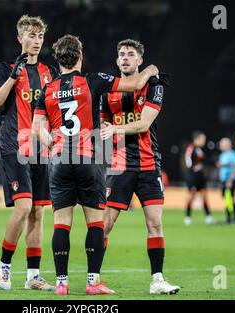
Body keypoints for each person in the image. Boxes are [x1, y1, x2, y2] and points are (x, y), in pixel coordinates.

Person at [32, 34, 159, 295]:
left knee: (61, 223)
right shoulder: (92, 80)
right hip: (88, 159)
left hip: (59, 161)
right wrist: (150, 70)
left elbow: (37, 129)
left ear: (57, 60)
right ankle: (92, 282)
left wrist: (52, 145)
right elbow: (134, 85)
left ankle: (61, 283)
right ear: (80, 55)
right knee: (95, 223)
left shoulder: (47, 89)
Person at [99, 39, 180, 295]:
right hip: (119, 164)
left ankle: (157, 280)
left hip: (148, 163)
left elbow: (144, 124)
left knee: (155, 223)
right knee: (105, 224)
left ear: (139, 60)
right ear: (116, 60)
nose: (124, 58)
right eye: (121, 54)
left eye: (130, 54)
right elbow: (102, 127)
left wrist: (116, 128)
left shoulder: (154, 86)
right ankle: (94, 278)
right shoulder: (107, 91)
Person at [0, 15, 58, 291]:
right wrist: (13, 78)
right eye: (31, 36)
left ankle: (33, 276)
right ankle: (4, 265)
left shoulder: (49, 72)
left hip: (42, 148)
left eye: (40, 37)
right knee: (24, 207)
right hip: (15, 147)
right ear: (20, 39)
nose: (37, 41)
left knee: (38, 213)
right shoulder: (5, 69)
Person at [184, 131, 214, 225]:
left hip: (200, 176)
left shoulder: (198, 149)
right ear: (196, 139)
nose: (204, 141)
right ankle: (188, 217)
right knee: (191, 196)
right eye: (202, 139)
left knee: (204, 195)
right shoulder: (191, 149)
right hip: (193, 176)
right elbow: (189, 163)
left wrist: (215, 163)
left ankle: (208, 216)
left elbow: (204, 160)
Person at [217, 137, 235, 224]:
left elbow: (234, 168)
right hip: (223, 180)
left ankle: (234, 217)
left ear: (227, 145)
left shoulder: (232, 155)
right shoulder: (222, 155)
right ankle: (228, 217)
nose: (221, 146)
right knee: (226, 199)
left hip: (229, 180)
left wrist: (230, 180)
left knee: (230, 199)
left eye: (222, 144)